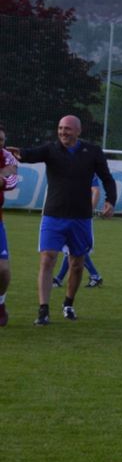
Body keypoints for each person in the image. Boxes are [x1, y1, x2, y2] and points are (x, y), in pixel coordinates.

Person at [17, 115, 116, 325]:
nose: (63, 132)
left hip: (81, 218)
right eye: (61, 128)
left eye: (68, 129)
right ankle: (43, 310)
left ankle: (68, 303)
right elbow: (27, 155)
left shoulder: (92, 152)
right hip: (53, 215)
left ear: (78, 131)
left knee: (77, 264)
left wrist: (111, 201)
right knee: (47, 258)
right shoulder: (50, 149)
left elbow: (107, 178)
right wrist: (11, 152)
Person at [54, 176, 103, 287]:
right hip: (68, 213)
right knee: (71, 248)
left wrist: (89, 210)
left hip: (80, 216)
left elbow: (96, 191)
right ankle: (59, 278)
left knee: (77, 248)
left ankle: (59, 279)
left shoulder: (88, 170)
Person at [0, 125, 20, 327]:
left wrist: (4, 179)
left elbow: (13, 178)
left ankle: (1, 304)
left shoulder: (7, 156)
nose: (0, 144)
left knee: (3, 271)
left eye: (2, 141)